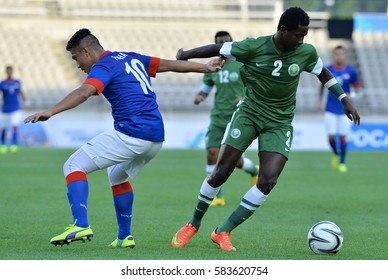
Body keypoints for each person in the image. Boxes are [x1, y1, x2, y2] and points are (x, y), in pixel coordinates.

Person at [171, 7, 360, 251]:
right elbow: (217, 49)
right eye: (297, 35)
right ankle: (193, 224)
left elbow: (324, 74)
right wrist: (185, 54)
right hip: (249, 114)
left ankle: (223, 231)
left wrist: (344, 98)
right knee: (221, 172)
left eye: (304, 35)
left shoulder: (306, 53)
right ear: (282, 30)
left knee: (268, 180)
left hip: (279, 123)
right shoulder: (253, 46)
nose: (301, 40)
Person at [24, 28, 221, 248]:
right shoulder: (130, 57)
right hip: (155, 138)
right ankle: (124, 237)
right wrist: (205, 66)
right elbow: (167, 64)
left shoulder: (103, 66)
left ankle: (80, 224)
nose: (77, 64)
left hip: (132, 133)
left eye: (76, 57)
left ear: (87, 51)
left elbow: (83, 92)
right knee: (117, 176)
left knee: (73, 165)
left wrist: (51, 111)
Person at [194, 31, 259, 207]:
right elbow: (205, 89)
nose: (223, 45)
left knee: (235, 161)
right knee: (212, 153)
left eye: (226, 42)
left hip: (237, 116)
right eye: (219, 43)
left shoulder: (241, 65)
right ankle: (217, 195)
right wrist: (200, 96)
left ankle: (253, 170)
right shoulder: (212, 66)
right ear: (215, 45)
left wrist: (244, 98)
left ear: (231, 43)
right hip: (218, 117)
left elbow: (255, 86)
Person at [318, 45, 361, 173]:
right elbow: (321, 86)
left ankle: (342, 163)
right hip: (330, 108)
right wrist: (320, 100)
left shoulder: (351, 71)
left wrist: (351, 95)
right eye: (337, 54)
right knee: (331, 137)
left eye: (341, 54)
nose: (339, 56)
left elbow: (358, 89)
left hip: (345, 110)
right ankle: (336, 154)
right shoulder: (328, 69)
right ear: (333, 55)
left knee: (343, 136)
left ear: (345, 55)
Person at [0, 65, 27, 154]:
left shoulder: (17, 82)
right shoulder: (2, 83)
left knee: (15, 125)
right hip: (5, 109)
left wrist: (26, 102)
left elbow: (21, 92)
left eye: (11, 71)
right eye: (8, 71)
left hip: (15, 108)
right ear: (6, 72)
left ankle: (14, 145)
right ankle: (3, 145)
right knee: (4, 128)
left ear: (12, 71)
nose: (9, 72)